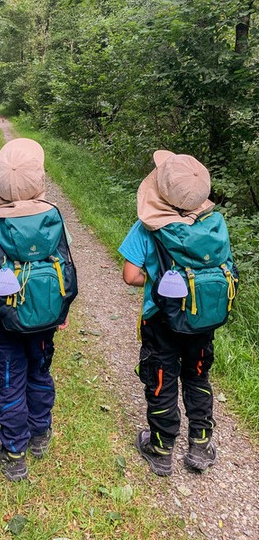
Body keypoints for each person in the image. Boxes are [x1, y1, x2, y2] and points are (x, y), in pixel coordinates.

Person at [119, 150, 235, 476]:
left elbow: (130, 275)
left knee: (161, 378)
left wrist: (159, 281)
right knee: (197, 375)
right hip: (203, 317)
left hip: (160, 318)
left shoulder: (148, 227)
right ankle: (200, 444)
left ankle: (160, 448)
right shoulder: (215, 223)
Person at [0, 138, 72, 482]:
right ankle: (40, 433)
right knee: (39, 372)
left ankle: (14, 451)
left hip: (3, 321)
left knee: (9, 383)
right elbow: (65, 265)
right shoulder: (52, 217)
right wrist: (61, 312)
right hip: (45, 319)